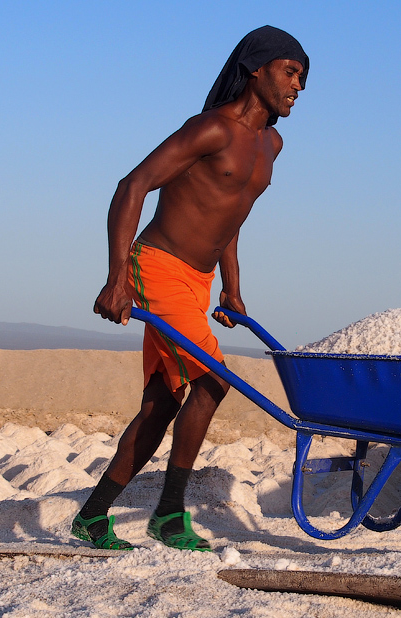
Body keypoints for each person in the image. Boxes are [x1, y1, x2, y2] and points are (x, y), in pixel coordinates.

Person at [71, 26, 309, 551]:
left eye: (303, 78)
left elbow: (230, 212)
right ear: (257, 69)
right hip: (156, 267)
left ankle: (91, 517)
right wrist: (116, 279)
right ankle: (171, 514)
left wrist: (232, 287)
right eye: (290, 72)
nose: (299, 86)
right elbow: (131, 185)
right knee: (214, 379)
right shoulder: (210, 130)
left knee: (163, 401)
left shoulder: (272, 144)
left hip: (198, 282)